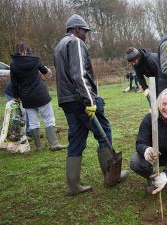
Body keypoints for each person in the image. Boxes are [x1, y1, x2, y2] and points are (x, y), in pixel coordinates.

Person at [54, 14, 128, 196]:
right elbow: (78, 74)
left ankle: (73, 185)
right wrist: (89, 100)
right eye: (85, 31)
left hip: (67, 101)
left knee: (76, 140)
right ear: (77, 29)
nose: (86, 35)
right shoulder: (76, 43)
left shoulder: (58, 46)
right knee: (104, 134)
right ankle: (111, 176)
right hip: (81, 99)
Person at [10, 41, 66, 151]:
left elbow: (14, 83)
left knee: (33, 121)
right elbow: (45, 71)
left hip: (26, 97)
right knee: (48, 118)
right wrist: (46, 74)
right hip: (41, 94)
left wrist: (16, 97)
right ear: (27, 50)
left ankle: (38, 147)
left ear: (16, 51)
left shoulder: (13, 64)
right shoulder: (35, 59)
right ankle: (54, 144)